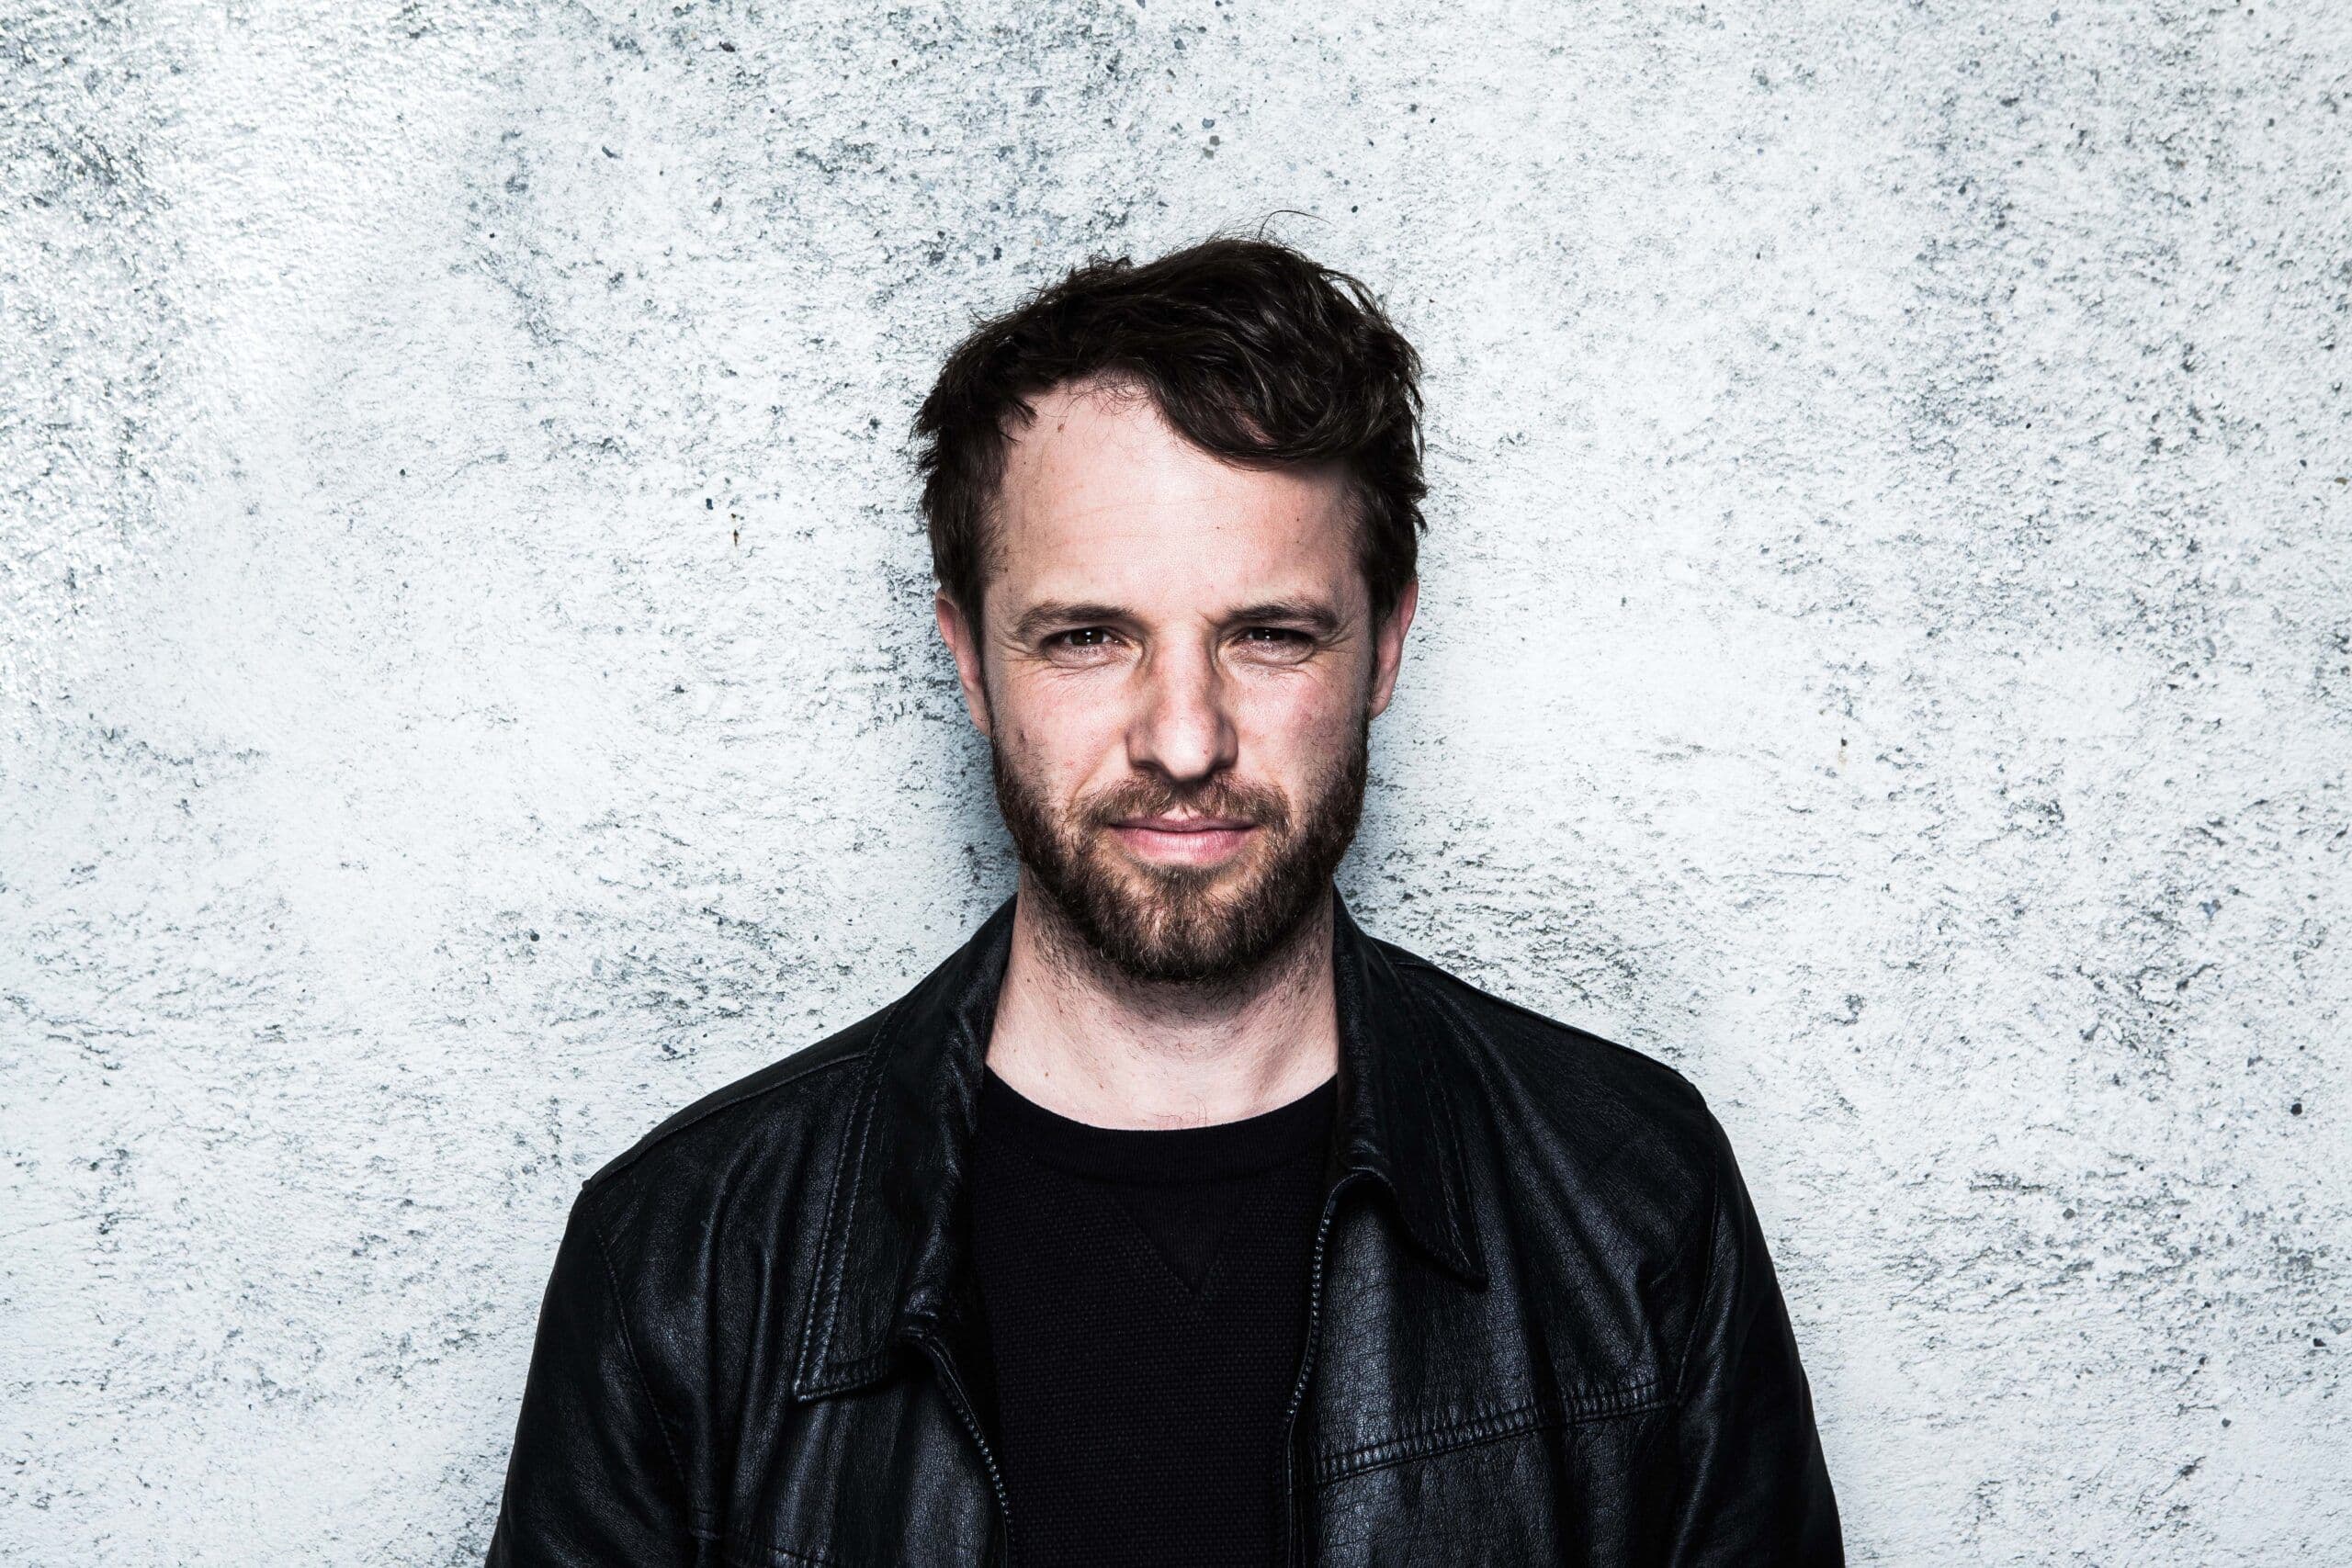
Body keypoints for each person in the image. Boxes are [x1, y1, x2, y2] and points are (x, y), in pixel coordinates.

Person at [483, 236, 1842, 1567]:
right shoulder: (683, 1259)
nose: (1185, 741)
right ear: (970, 662)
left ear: (1385, 646)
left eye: (1271, 635)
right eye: (1088, 638)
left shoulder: (1633, 1201)